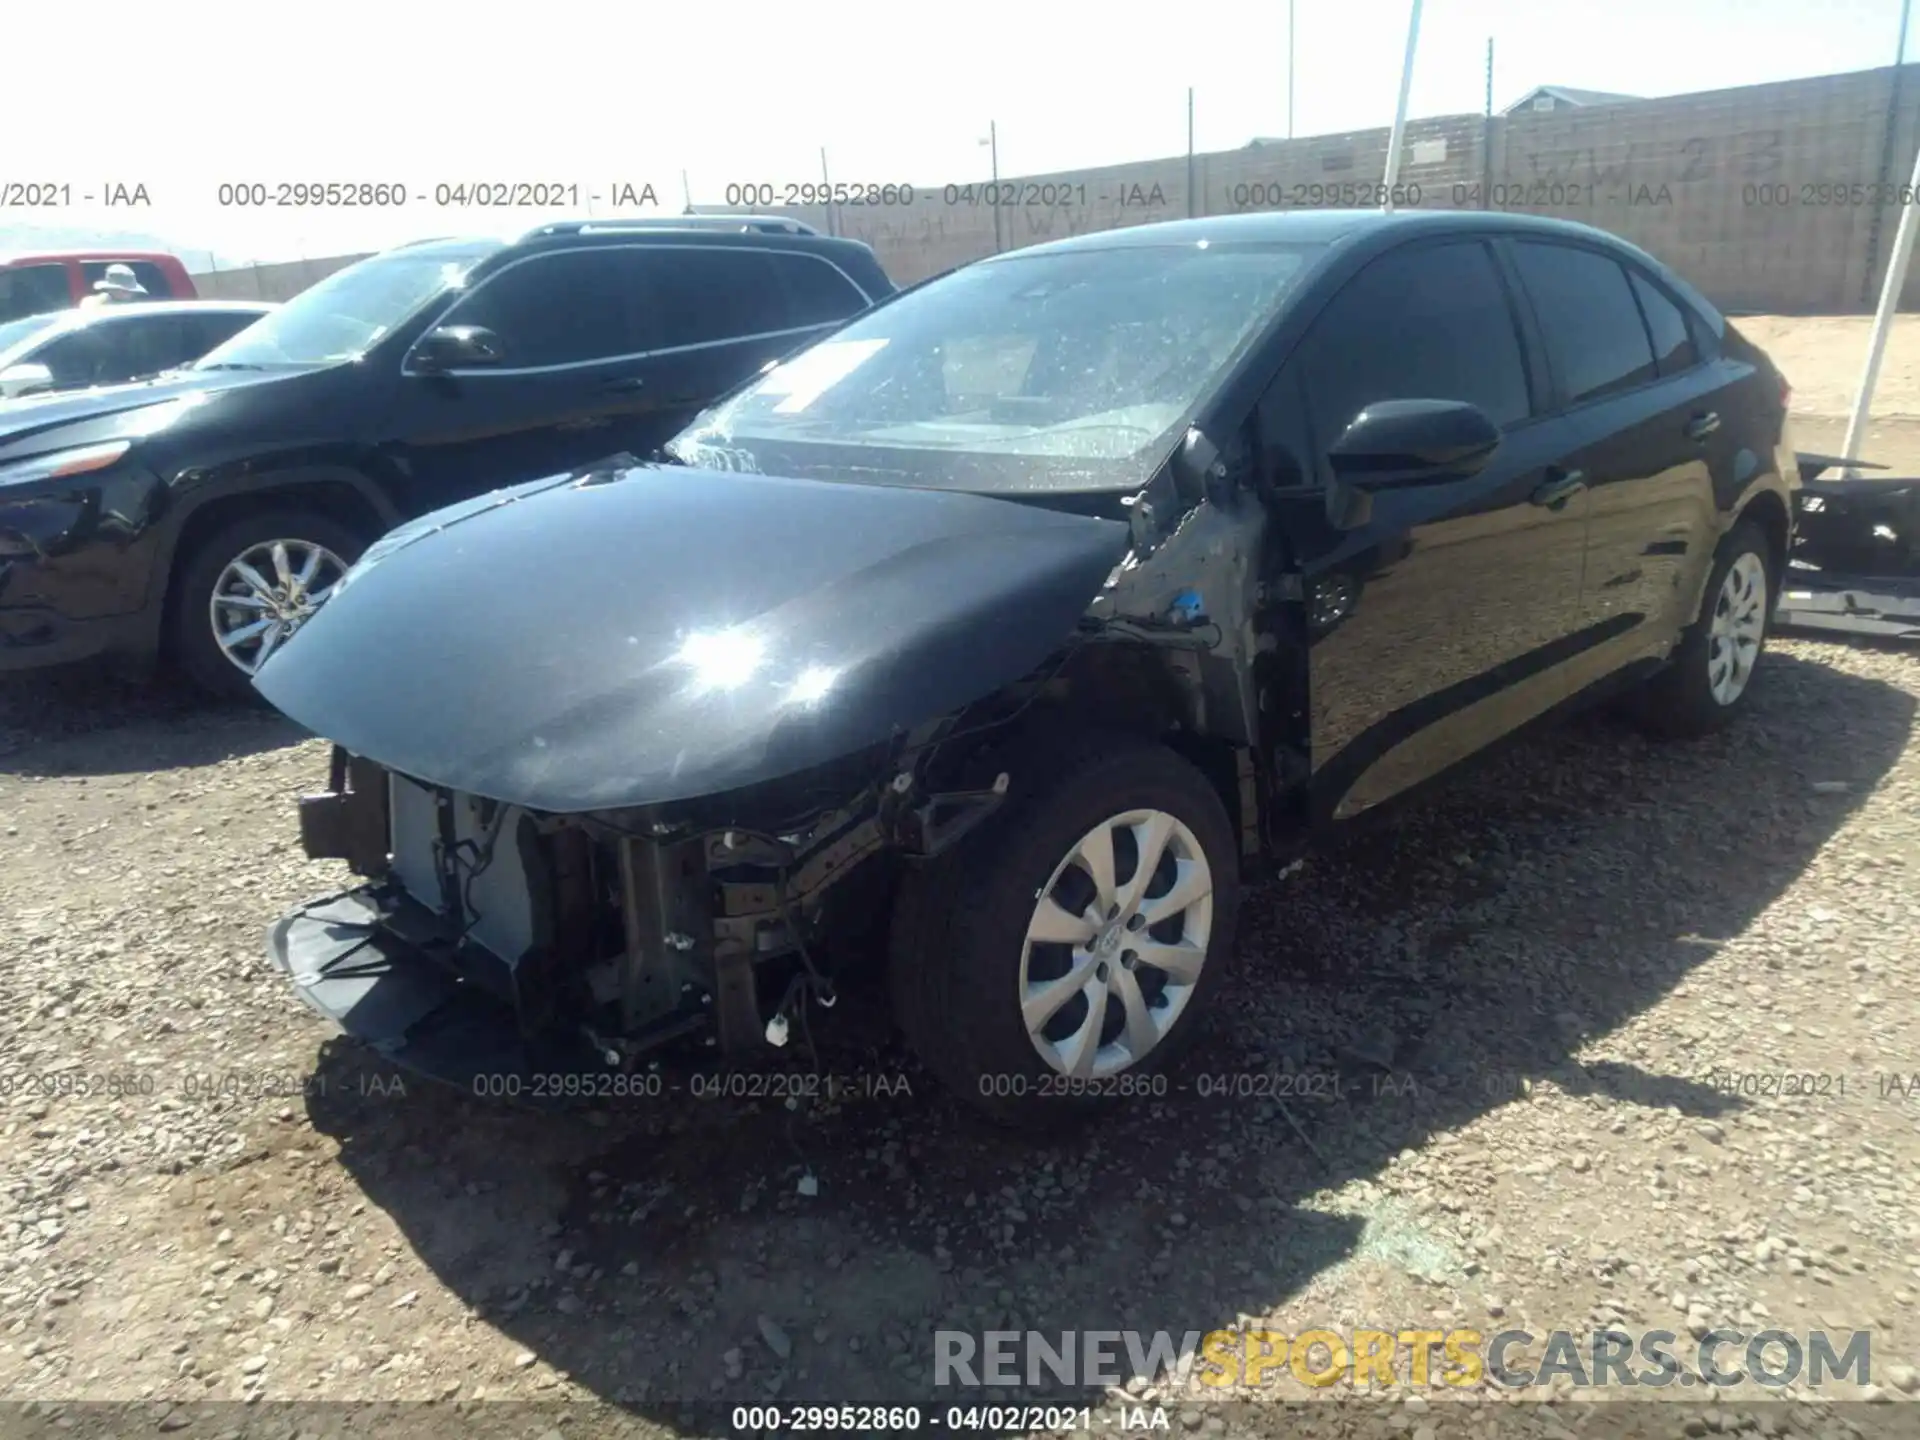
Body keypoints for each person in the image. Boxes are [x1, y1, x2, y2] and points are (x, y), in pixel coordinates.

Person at [78, 264, 149, 309]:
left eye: (131, 291)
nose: (129, 294)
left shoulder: (135, 307)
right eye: (124, 291)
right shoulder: (92, 304)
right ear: (111, 289)